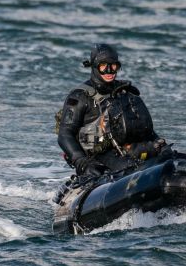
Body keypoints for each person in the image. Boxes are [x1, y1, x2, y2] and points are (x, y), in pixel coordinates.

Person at [57, 44, 167, 178]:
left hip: (128, 150)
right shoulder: (79, 97)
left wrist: (159, 145)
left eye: (113, 66)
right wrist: (81, 162)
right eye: (104, 66)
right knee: (129, 168)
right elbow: (65, 134)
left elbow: (143, 127)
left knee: (165, 159)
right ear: (94, 66)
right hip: (98, 156)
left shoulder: (124, 92)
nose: (109, 71)